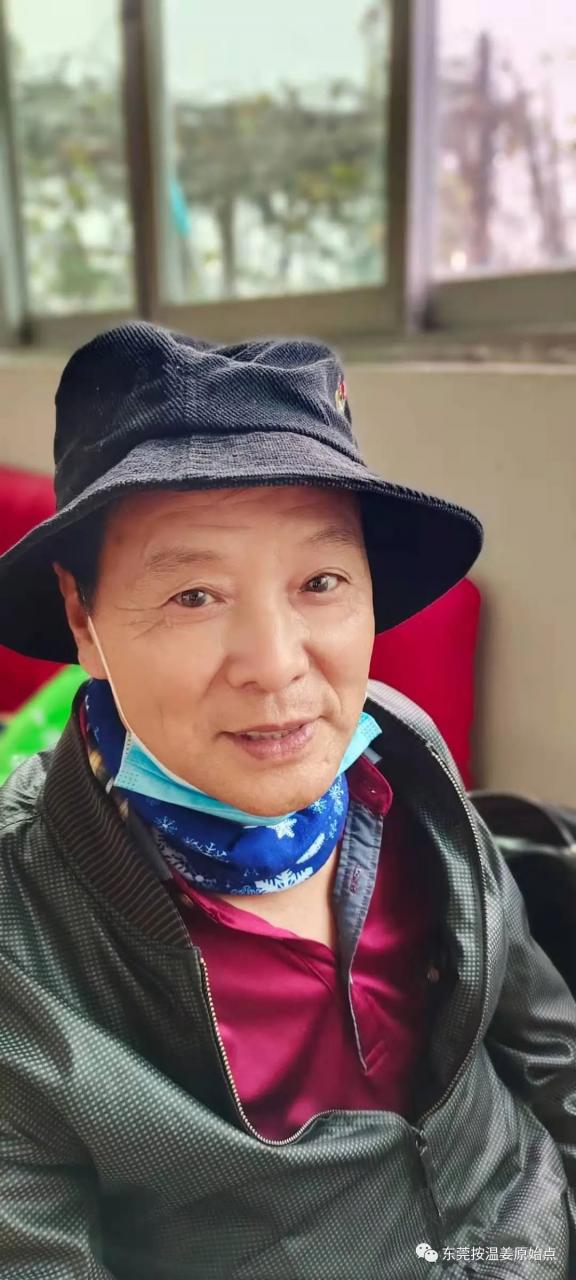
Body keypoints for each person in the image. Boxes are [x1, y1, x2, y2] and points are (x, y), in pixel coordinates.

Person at [0, 321, 574, 1280]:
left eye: (320, 580)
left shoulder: (404, 760)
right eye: (193, 595)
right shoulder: (22, 946)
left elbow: (548, 1047)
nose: (276, 666)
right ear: (82, 618)